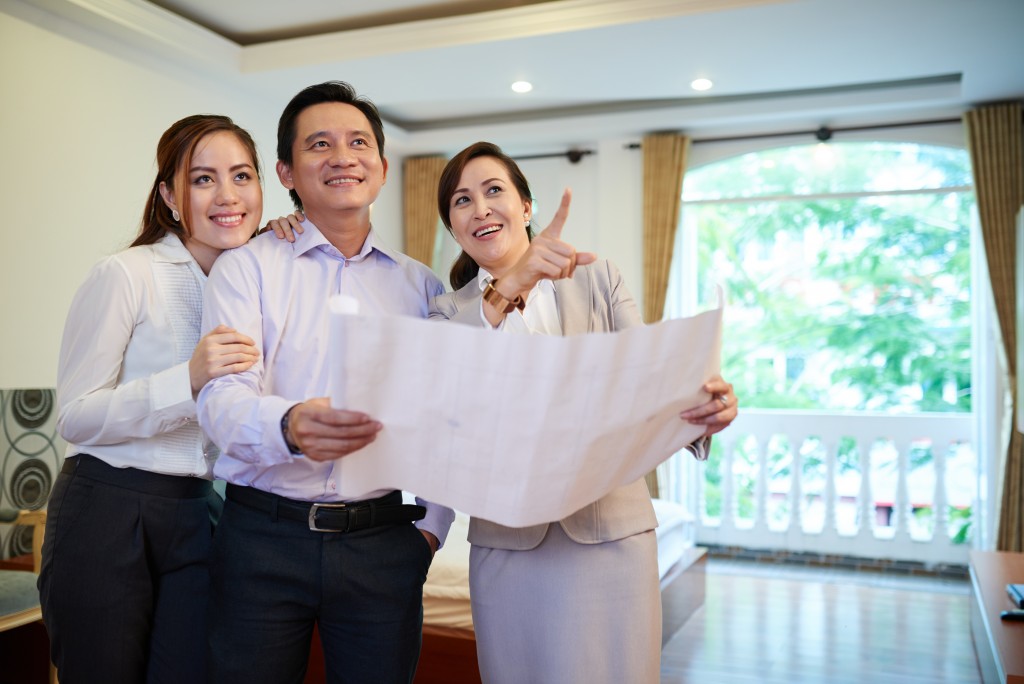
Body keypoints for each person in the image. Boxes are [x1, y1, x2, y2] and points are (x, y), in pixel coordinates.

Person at [429, 141, 739, 683]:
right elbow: (445, 386)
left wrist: (701, 411)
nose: (480, 208)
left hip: (611, 536)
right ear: (453, 228)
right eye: (461, 201)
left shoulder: (599, 279)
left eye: (494, 190)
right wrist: (508, 289)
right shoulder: (446, 313)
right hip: (508, 543)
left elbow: (650, 384)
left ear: (527, 207)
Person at [196, 81, 455, 684]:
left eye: (358, 142)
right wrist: (288, 425)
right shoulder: (246, 269)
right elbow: (220, 400)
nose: (342, 156)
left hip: (384, 545)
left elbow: (447, 415)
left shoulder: (422, 288)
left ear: (383, 168)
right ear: (287, 171)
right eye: (320, 144)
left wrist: (431, 532)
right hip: (261, 538)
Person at [38, 114, 267, 682]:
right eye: (203, 179)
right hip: (109, 508)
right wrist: (185, 379)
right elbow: (74, 416)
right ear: (168, 194)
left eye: (242, 176)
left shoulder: (259, 283)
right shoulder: (125, 275)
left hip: (201, 512)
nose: (228, 196)